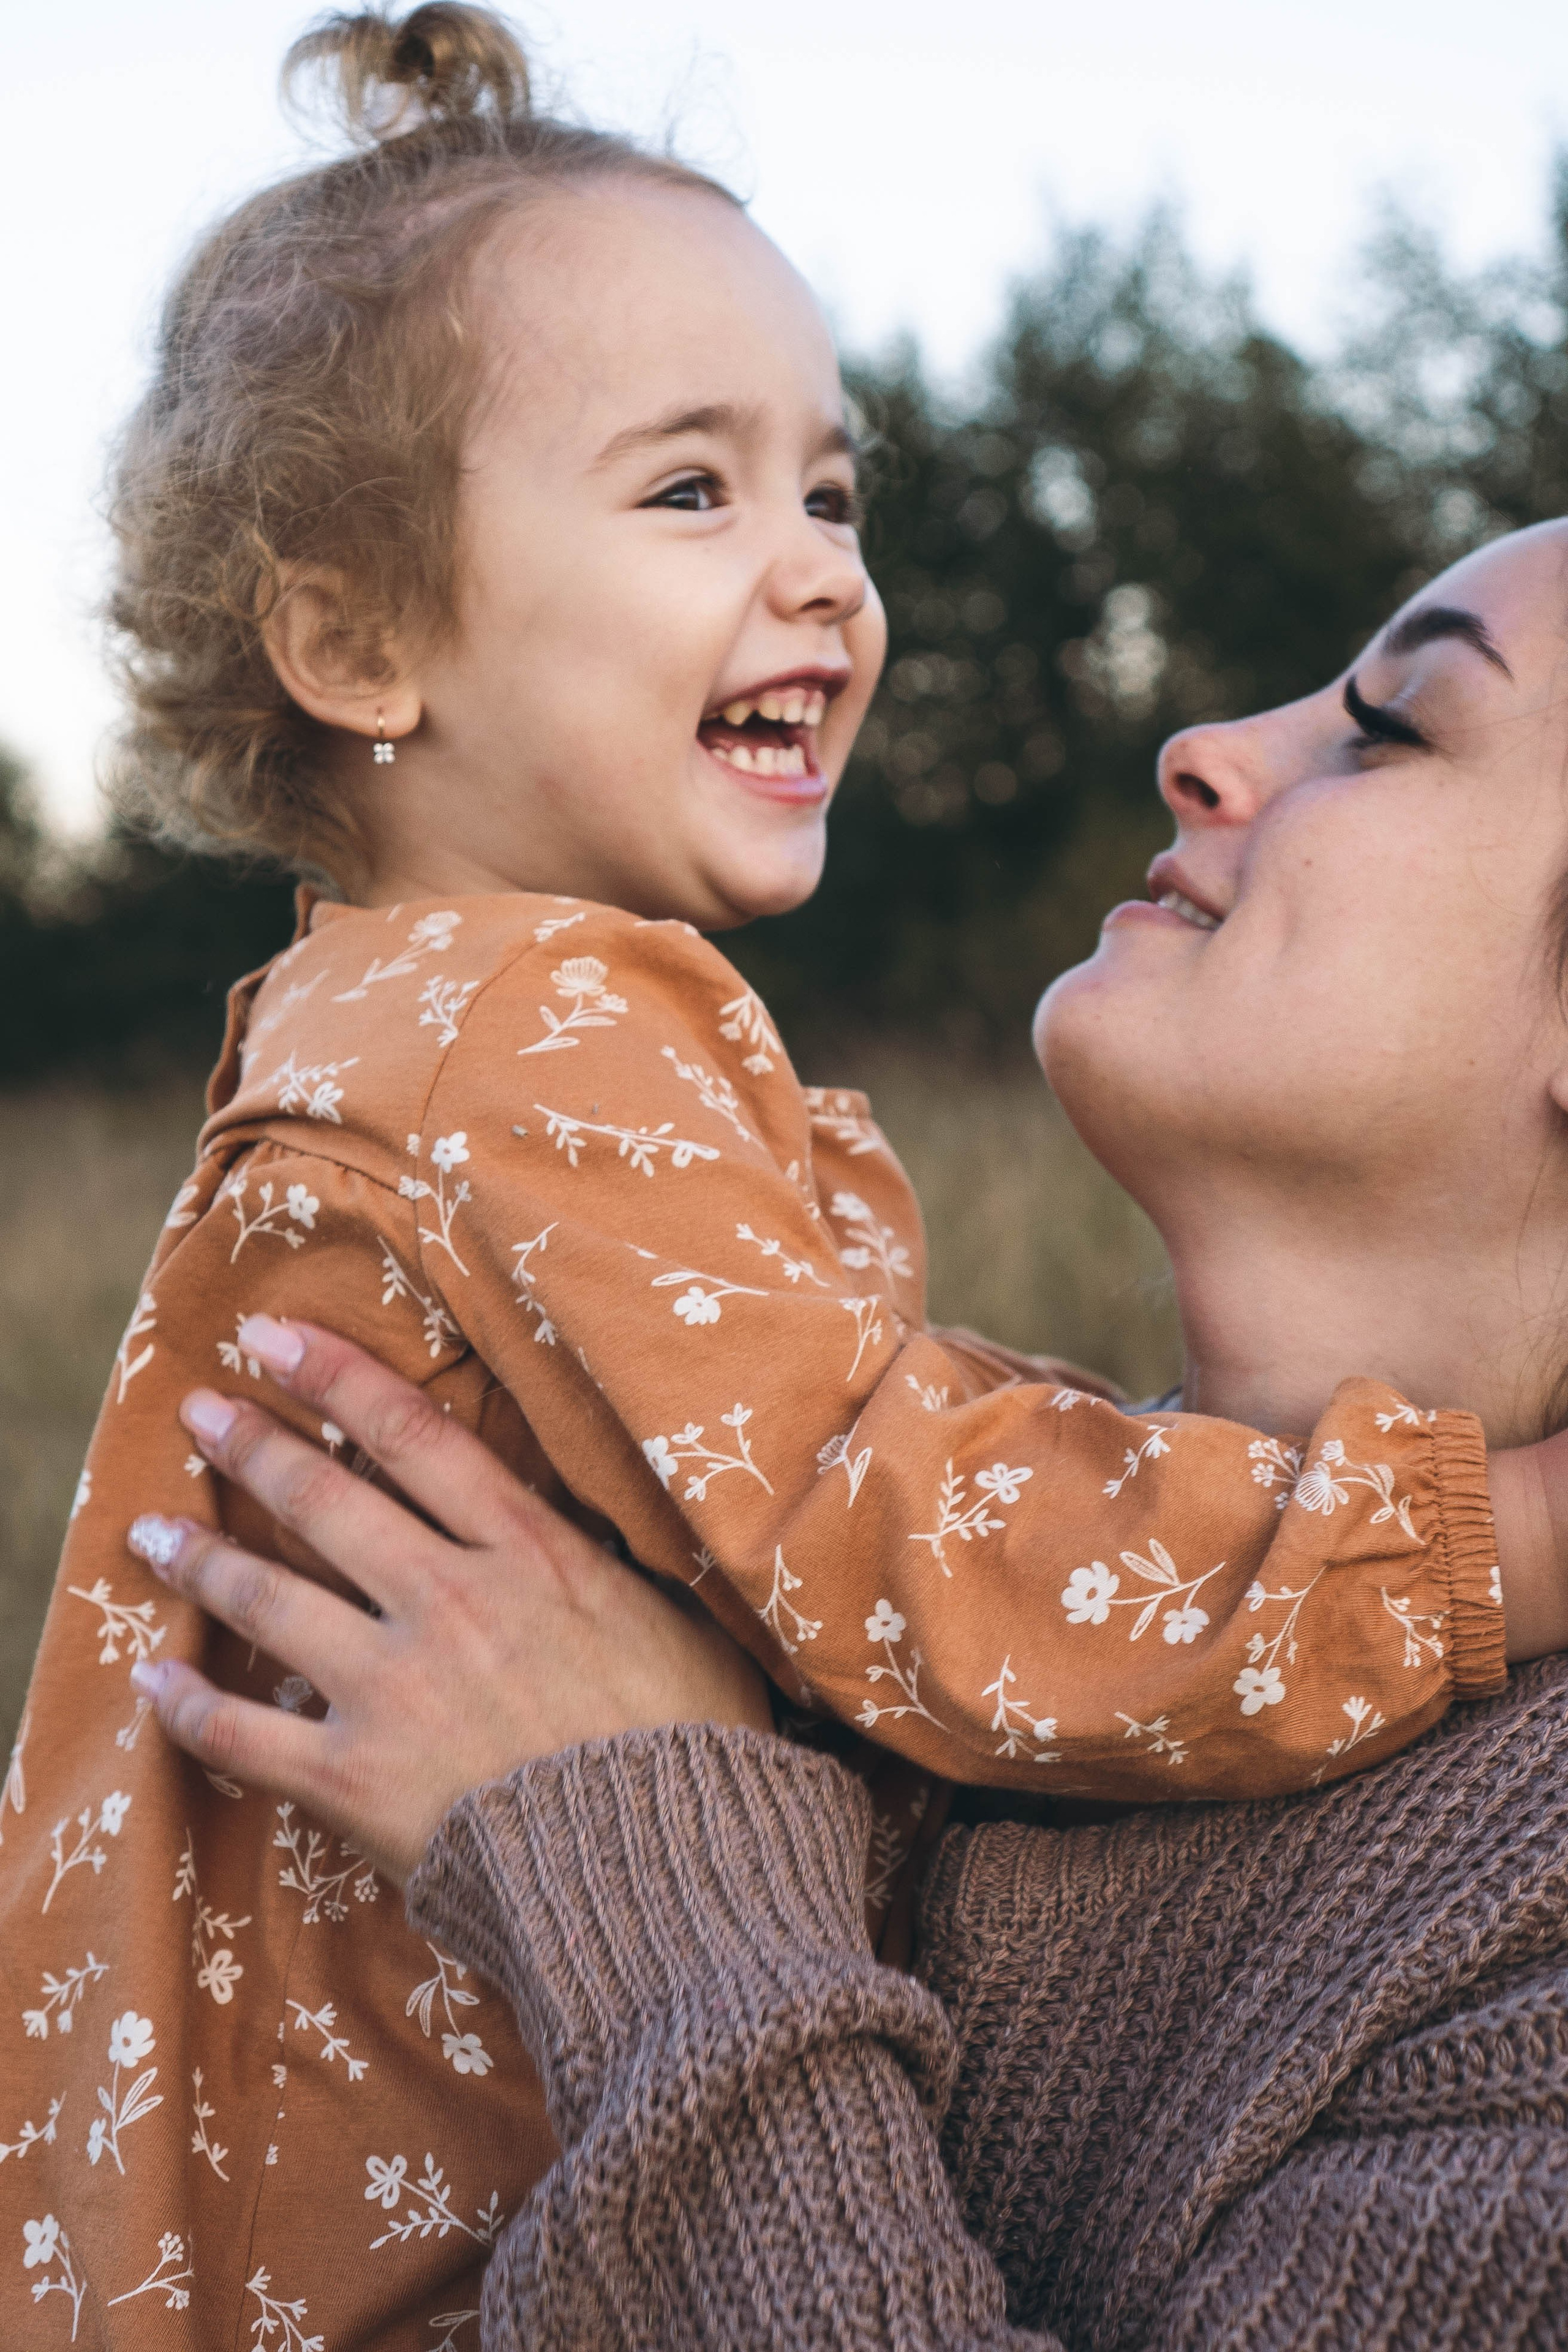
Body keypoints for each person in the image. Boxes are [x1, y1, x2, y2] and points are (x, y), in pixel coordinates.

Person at [2, 5, 1562, 2342]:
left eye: (829, 494)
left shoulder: (423, 1031)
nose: (1208, 738)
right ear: (352, 642)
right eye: (688, 492)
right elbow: (904, 1525)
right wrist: (1500, 1540)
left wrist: (633, 1834)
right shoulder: (534, 1032)